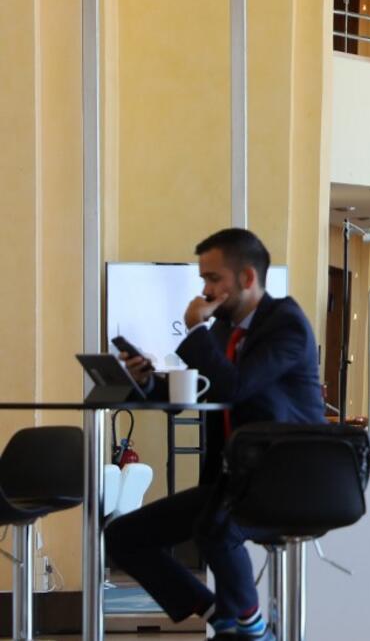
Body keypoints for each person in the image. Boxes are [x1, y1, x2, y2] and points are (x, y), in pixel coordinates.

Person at [107, 228, 325, 641]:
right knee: (124, 537)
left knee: (215, 527)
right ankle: (219, 615)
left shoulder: (286, 324)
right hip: (233, 481)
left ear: (246, 278)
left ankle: (250, 625)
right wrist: (145, 382)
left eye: (213, 279)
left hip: (283, 476)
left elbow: (236, 387)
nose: (204, 289)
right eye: (203, 278)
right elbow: (203, 394)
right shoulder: (224, 331)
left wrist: (194, 334)